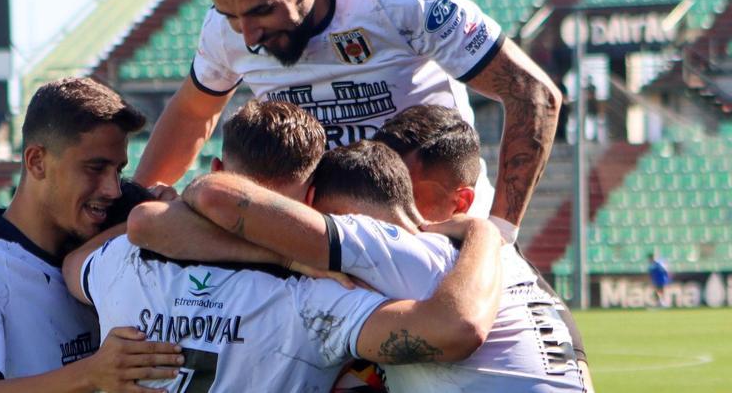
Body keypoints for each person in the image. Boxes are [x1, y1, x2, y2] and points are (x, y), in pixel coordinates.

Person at [133, 0, 562, 247]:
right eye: (230, 16)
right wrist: (138, 197)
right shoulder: (225, 32)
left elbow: (534, 93)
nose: (248, 36)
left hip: (429, 238)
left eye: (262, 9)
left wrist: (499, 235)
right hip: (318, 246)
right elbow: (193, 113)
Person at [63, 99, 503, 392]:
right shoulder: (324, 297)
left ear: (217, 168)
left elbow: (74, 265)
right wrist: (486, 232)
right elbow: (449, 332)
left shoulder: (122, 261)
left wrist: (171, 212)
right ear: (312, 199)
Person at [177, 140, 586, 391]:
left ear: (324, 208)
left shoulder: (379, 243)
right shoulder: (497, 263)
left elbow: (214, 194)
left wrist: (289, 251)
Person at [0, 78, 182, 393]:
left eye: (118, 171)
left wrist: (156, 218)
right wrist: (91, 373)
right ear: (37, 161)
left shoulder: (102, 249)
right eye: (95, 168)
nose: (112, 189)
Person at [374, 104, 594, 391]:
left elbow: (539, 97)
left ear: (461, 202)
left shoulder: (423, 262)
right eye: (377, 190)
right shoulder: (510, 265)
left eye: (404, 194)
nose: (382, 209)